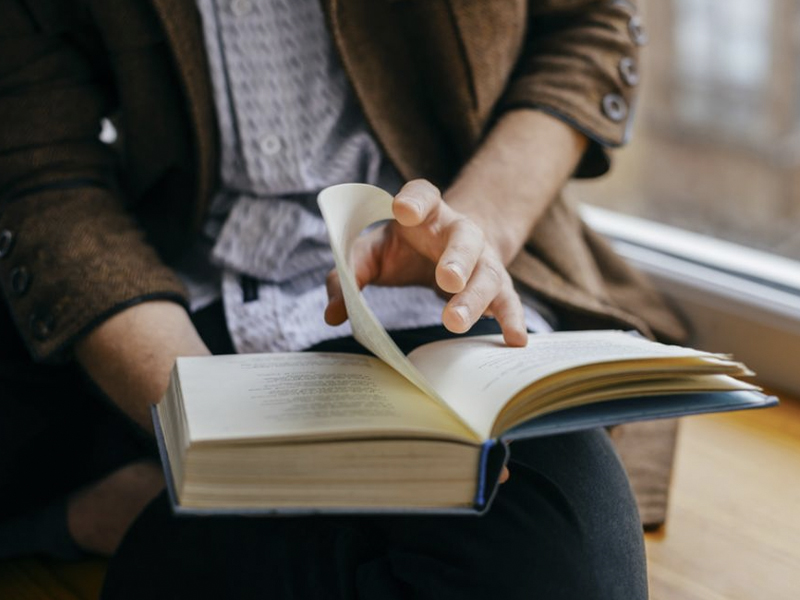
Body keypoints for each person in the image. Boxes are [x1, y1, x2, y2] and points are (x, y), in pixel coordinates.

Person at [0, 0, 686, 597]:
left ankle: (144, 510)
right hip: (168, 294)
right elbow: (44, 172)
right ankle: (132, 509)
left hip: (437, 279)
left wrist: (472, 234)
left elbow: (588, 25)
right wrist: (206, 421)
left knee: (562, 564)